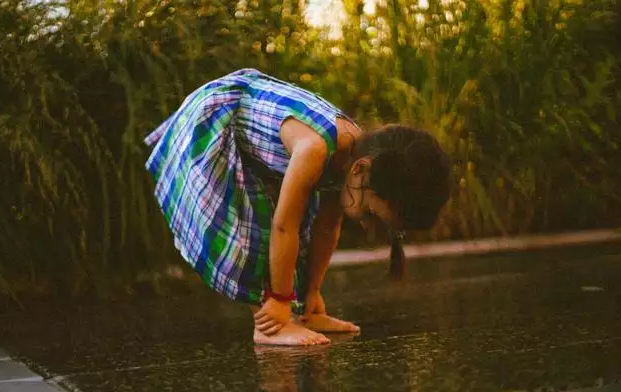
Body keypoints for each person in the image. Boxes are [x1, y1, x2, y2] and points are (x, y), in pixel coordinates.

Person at [144, 68, 451, 346]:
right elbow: (282, 226)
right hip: (215, 123)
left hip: (255, 154)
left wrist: (311, 294)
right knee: (257, 227)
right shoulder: (315, 149)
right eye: (371, 213)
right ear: (360, 171)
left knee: (303, 227)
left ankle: (301, 312)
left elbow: (327, 228)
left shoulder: (353, 160)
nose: (366, 223)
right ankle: (268, 325)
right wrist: (279, 299)